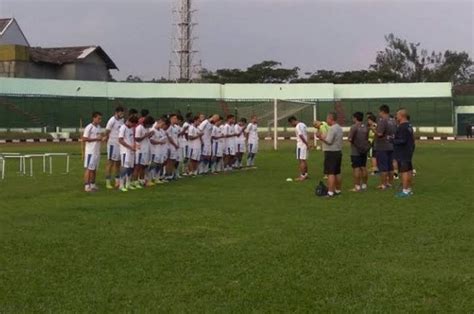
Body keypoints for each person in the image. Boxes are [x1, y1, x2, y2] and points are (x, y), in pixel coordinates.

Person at [317, 112, 344, 197]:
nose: (326, 120)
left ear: (330, 119)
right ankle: (338, 190)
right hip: (338, 151)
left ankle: (330, 192)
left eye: (327, 118)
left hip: (331, 152)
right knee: (337, 172)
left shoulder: (332, 128)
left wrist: (320, 137)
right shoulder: (339, 128)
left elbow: (329, 141)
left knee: (330, 173)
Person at [372, 104, 395, 190]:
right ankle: (390, 183)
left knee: (383, 167)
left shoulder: (382, 121)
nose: (379, 113)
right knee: (390, 166)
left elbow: (380, 134)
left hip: (382, 146)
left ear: (382, 111)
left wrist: (373, 129)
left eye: (379, 112)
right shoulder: (393, 120)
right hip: (391, 145)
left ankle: (383, 184)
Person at [393, 109, 415, 197]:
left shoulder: (402, 127)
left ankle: (405, 191)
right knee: (409, 170)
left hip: (403, 151)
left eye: (397, 115)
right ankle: (408, 189)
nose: (396, 117)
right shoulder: (409, 125)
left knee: (404, 171)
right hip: (408, 150)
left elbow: (402, 140)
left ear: (402, 116)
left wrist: (392, 140)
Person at [348, 112, 369, 192]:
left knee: (356, 168)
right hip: (364, 150)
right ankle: (364, 185)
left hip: (355, 151)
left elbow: (350, 139)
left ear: (355, 118)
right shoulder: (365, 127)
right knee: (363, 167)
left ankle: (357, 186)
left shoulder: (354, 127)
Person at [82, 112, 103, 192]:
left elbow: (99, 137)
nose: (100, 120)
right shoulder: (89, 127)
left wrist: (102, 139)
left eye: (100, 118)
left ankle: (93, 184)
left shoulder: (99, 127)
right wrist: (96, 139)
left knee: (94, 169)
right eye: (98, 118)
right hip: (90, 151)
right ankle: (87, 186)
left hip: (97, 151)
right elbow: (84, 139)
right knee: (89, 169)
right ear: (93, 118)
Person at [104, 106, 125, 189]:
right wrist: (107, 139)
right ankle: (108, 182)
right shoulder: (111, 120)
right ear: (116, 112)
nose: (122, 114)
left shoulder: (122, 120)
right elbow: (107, 131)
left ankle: (117, 181)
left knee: (118, 163)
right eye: (121, 112)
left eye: (123, 113)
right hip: (112, 144)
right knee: (110, 163)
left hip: (119, 145)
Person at [118, 116, 139, 192]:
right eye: (133, 124)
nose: (133, 126)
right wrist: (129, 147)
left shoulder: (131, 128)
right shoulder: (123, 128)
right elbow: (120, 140)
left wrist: (135, 145)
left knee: (130, 168)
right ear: (130, 122)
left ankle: (128, 184)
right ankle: (121, 185)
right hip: (125, 151)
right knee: (124, 168)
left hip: (131, 151)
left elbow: (131, 139)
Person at [134, 116, 155, 187]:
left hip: (146, 149)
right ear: (147, 123)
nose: (151, 126)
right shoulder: (139, 128)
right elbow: (137, 139)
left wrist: (150, 135)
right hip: (140, 150)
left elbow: (147, 137)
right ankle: (135, 181)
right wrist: (145, 136)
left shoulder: (147, 128)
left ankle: (142, 180)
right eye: (150, 124)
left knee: (144, 166)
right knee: (138, 166)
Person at [288, 116, 309, 181]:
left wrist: (306, 143)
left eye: (291, 123)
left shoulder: (298, 126)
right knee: (304, 160)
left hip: (301, 145)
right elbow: (307, 134)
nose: (291, 125)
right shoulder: (303, 124)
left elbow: (301, 135)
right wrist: (308, 143)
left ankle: (302, 176)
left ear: (293, 121)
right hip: (305, 145)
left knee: (301, 161)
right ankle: (305, 175)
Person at [149, 117, 169, 184]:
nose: (163, 126)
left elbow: (165, 138)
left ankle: (157, 178)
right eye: (162, 124)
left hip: (161, 151)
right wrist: (160, 142)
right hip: (154, 150)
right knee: (153, 165)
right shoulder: (152, 130)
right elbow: (151, 141)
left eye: (163, 125)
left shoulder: (162, 131)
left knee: (160, 165)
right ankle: (149, 178)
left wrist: (163, 141)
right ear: (158, 122)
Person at [165, 114, 180, 180]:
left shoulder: (176, 127)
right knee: (169, 161)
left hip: (176, 146)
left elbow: (177, 136)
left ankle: (171, 174)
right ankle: (167, 174)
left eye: (176, 118)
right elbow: (169, 137)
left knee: (174, 160)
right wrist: (174, 144)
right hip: (171, 146)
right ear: (171, 119)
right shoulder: (169, 127)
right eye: (174, 118)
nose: (175, 119)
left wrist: (177, 143)